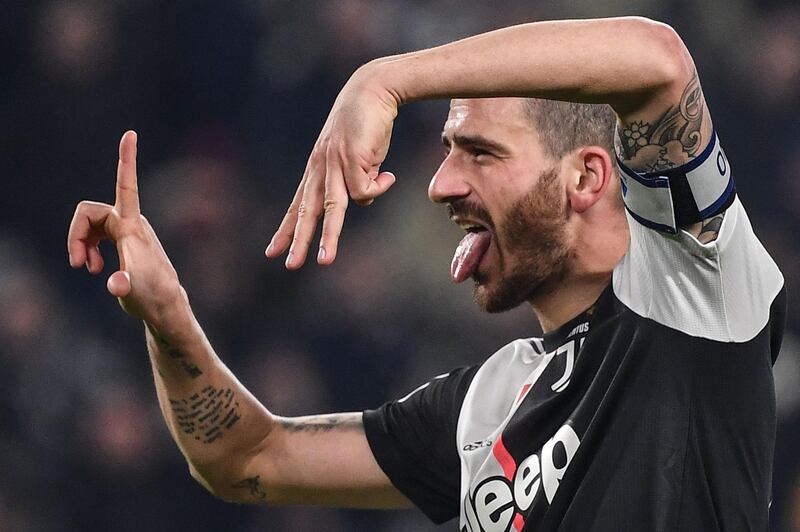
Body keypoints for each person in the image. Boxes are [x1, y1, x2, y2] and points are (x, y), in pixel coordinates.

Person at [68, 16, 786, 531]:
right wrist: (168, 319)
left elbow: (658, 59)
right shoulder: (485, 405)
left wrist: (387, 78)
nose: (439, 184)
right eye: (446, 151)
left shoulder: (693, 291)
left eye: (479, 152)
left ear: (586, 177)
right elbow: (247, 457)